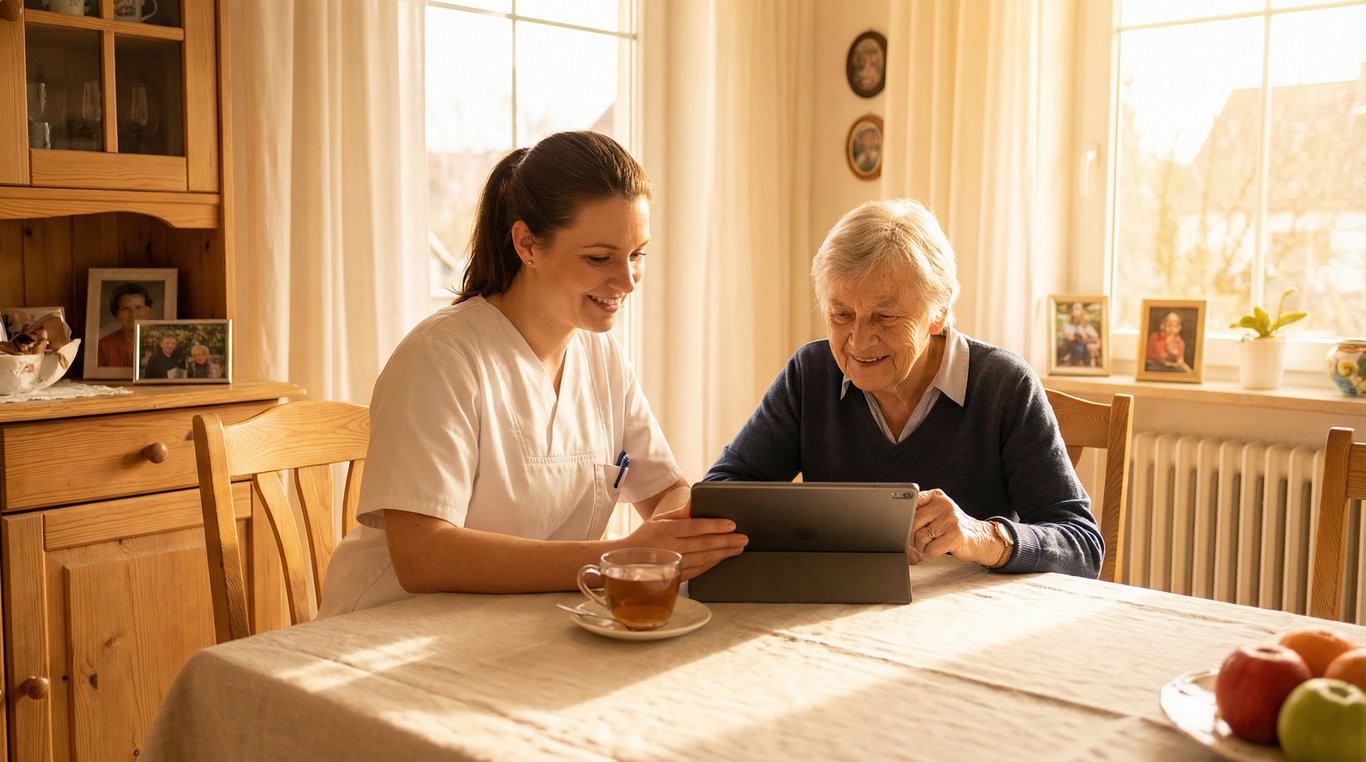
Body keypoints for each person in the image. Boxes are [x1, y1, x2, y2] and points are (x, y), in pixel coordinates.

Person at [319, 131, 748, 616]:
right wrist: (615, 559)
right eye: (599, 258)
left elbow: (667, 489)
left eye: (637, 254)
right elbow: (422, 556)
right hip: (387, 627)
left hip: (517, 623)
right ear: (526, 244)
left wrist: (673, 538)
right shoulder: (439, 357)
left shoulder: (603, 357)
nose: (626, 280)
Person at [704, 198, 1102, 578]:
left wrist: (982, 536)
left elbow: (1082, 545)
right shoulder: (811, 374)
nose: (858, 341)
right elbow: (719, 497)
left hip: (969, 621)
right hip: (840, 610)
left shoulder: (1004, 385)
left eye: (886, 316)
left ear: (939, 312)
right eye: (841, 314)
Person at [97, 283, 152, 367]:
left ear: (147, 311)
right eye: (126, 309)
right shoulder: (104, 345)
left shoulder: (162, 343)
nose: (133, 314)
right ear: (116, 315)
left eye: (138, 308)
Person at [1057, 303, 1101, 367]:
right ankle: (1068, 361)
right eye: (1074, 316)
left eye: (1078, 316)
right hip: (1071, 342)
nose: (1076, 318)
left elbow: (1095, 335)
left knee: (1085, 347)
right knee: (1077, 349)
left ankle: (1086, 364)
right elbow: (1068, 336)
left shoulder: (1084, 325)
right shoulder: (1068, 324)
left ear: (1081, 317)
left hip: (1082, 343)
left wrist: (1085, 334)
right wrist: (1075, 337)